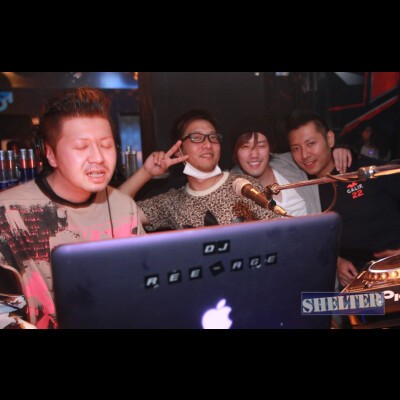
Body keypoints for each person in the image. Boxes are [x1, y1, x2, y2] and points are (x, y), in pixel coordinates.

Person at [0, 88, 145, 329]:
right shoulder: (7, 213)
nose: (98, 157)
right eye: (81, 147)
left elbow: (142, 282)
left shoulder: (123, 206)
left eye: (106, 145)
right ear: (51, 155)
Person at [287, 110, 400, 288]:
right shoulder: (306, 191)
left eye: (311, 143)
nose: (304, 155)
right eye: (296, 148)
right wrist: (337, 260)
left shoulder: (364, 170)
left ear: (330, 139)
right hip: (360, 283)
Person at [119, 109, 281, 231]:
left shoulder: (243, 187)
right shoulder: (172, 202)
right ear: (179, 150)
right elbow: (113, 213)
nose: (208, 144)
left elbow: (277, 233)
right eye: (196, 138)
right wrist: (146, 173)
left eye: (213, 137)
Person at [231, 117, 352, 216]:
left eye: (261, 145)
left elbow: (317, 156)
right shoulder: (230, 189)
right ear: (236, 153)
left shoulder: (290, 163)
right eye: (245, 147)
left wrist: (341, 147)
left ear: (270, 149)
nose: (254, 154)